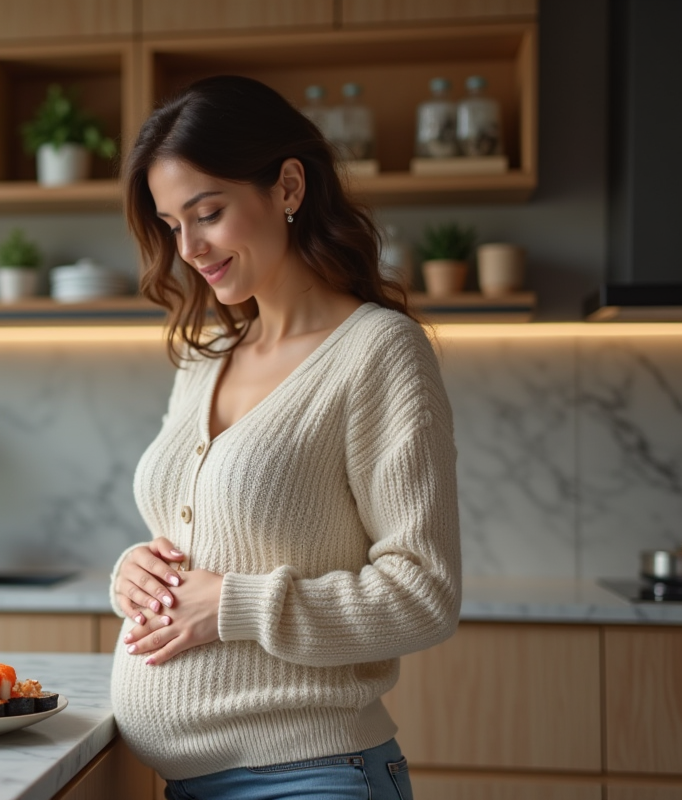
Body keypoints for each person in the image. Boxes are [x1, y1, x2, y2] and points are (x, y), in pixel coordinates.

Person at [108, 75, 462, 800]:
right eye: (172, 225)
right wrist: (136, 575)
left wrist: (234, 606)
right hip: (188, 783)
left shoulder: (377, 352)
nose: (189, 248)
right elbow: (209, 544)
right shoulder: (205, 356)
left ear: (288, 187)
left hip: (312, 776)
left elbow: (424, 593)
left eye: (208, 213)